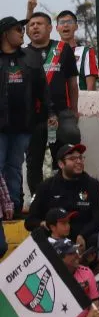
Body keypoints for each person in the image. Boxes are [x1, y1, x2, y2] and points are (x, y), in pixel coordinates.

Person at [24, 10, 80, 194]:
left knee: (68, 147)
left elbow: (72, 82)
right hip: (34, 115)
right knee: (34, 159)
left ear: (50, 28)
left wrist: (74, 109)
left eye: (39, 24)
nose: (34, 27)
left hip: (62, 111)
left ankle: (69, 192)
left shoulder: (63, 49)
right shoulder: (23, 54)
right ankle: (37, 199)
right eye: (31, 25)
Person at [0, 15, 46, 213]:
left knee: (15, 167)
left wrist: (46, 113)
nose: (22, 33)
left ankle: (14, 207)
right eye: (18, 30)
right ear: (5, 34)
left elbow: (43, 90)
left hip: (23, 126)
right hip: (0, 127)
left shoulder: (30, 58)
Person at [25, 143, 99, 250]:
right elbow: (30, 221)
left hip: (83, 238)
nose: (79, 161)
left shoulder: (92, 185)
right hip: (55, 238)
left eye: (80, 157)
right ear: (61, 164)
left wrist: (83, 235)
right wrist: (44, 223)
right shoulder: (46, 187)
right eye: (72, 158)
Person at [54, 238, 99, 317]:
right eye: (71, 253)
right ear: (60, 258)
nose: (77, 255)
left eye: (76, 251)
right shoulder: (52, 278)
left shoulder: (86, 272)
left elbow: (95, 303)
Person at [55, 10, 99, 91]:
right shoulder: (51, 53)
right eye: (62, 22)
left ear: (76, 26)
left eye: (69, 22)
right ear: (57, 28)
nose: (65, 25)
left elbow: (91, 85)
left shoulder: (86, 52)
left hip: (80, 101)